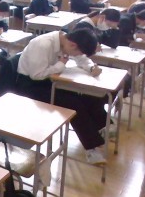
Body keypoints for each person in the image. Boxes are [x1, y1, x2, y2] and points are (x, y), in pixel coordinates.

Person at [15, 29, 110, 165]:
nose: (77, 55)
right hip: (30, 86)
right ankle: (91, 149)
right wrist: (60, 65)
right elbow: (36, 75)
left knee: (88, 95)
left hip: (50, 80)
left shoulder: (66, 40)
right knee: (73, 104)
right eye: (78, 52)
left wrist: (91, 67)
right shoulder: (42, 44)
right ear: (73, 45)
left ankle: (101, 128)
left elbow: (81, 58)